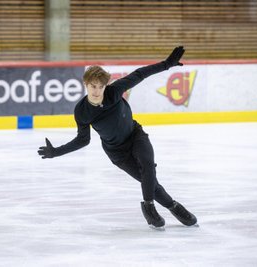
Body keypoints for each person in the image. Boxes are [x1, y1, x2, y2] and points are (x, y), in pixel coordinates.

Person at [38, 46, 197, 229]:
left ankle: (149, 206)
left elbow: (140, 74)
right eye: (93, 86)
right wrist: (56, 152)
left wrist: (166, 65)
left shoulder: (114, 91)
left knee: (147, 166)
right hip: (117, 153)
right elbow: (83, 139)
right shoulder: (81, 111)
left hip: (135, 135)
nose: (97, 91)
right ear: (86, 84)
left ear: (106, 85)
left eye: (101, 86)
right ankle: (174, 206)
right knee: (150, 181)